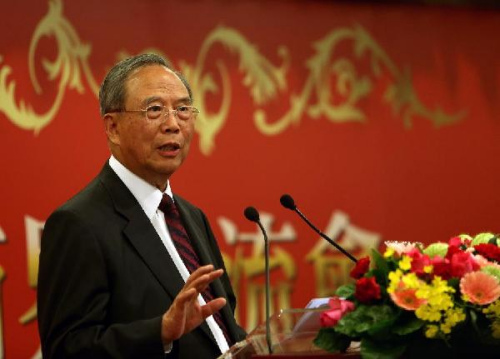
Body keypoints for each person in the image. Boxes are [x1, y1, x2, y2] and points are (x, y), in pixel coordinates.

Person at [37, 53, 246, 359]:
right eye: (155, 110)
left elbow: (221, 326)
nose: (173, 124)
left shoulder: (191, 216)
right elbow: (66, 349)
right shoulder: (78, 223)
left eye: (183, 109)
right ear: (113, 127)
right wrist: (159, 331)